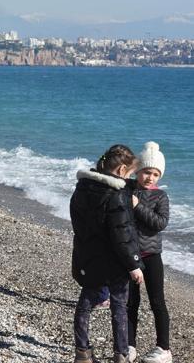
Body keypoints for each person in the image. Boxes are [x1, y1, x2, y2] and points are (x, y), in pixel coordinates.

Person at [70, 144, 143, 363]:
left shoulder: (82, 187)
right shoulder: (117, 196)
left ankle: (82, 351)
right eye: (129, 173)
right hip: (115, 261)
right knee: (119, 306)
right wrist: (134, 264)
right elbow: (123, 235)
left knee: (85, 302)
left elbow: (78, 220)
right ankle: (121, 354)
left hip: (88, 254)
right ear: (121, 170)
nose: (129, 178)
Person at [126, 142, 172, 363]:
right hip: (129, 256)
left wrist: (137, 207)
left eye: (155, 174)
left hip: (152, 256)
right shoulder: (128, 189)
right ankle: (129, 345)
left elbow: (160, 223)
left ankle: (164, 349)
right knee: (130, 303)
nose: (150, 177)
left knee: (157, 302)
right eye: (147, 172)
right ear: (138, 171)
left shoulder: (160, 197)